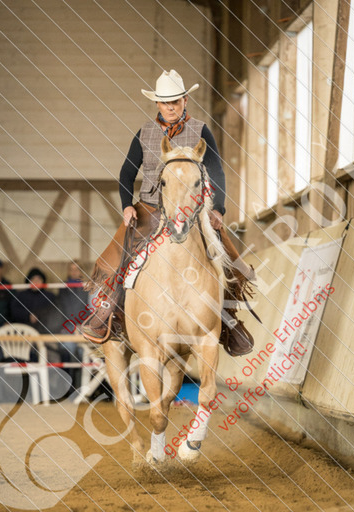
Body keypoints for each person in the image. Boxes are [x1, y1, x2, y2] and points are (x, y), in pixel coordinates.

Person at [84, 69, 254, 355]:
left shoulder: (201, 130)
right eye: (165, 102)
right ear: (157, 104)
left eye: (175, 101)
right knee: (122, 257)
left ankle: (228, 319)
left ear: (185, 100)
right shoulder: (144, 133)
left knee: (222, 256)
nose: (171, 107)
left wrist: (218, 210)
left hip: (192, 210)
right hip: (150, 209)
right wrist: (127, 205)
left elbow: (217, 172)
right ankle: (110, 312)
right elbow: (126, 173)